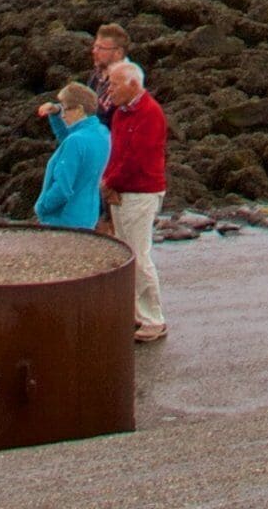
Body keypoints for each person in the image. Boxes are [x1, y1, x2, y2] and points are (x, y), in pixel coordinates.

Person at [95, 58, 171, 343]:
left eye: (114, 84)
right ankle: (137, 313)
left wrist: (110, 183)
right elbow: (117, 153)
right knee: (128, 254)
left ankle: (154, 319)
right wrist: (109, 183)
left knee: (139, 255)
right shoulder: (121, 112)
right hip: (122, 190)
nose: (109, 90)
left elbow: (137, 158)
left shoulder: (150, 113)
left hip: (141, 191)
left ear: (133, 85)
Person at [33, 83, 107, 231]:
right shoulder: (101, 132)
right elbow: (70, 139)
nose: (63, 114)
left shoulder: (76, 141)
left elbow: (63, 188)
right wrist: (56, 111)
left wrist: (41, 208)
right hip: (88, 215)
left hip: (64, 220)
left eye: (65, 109)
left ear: (79, 109)